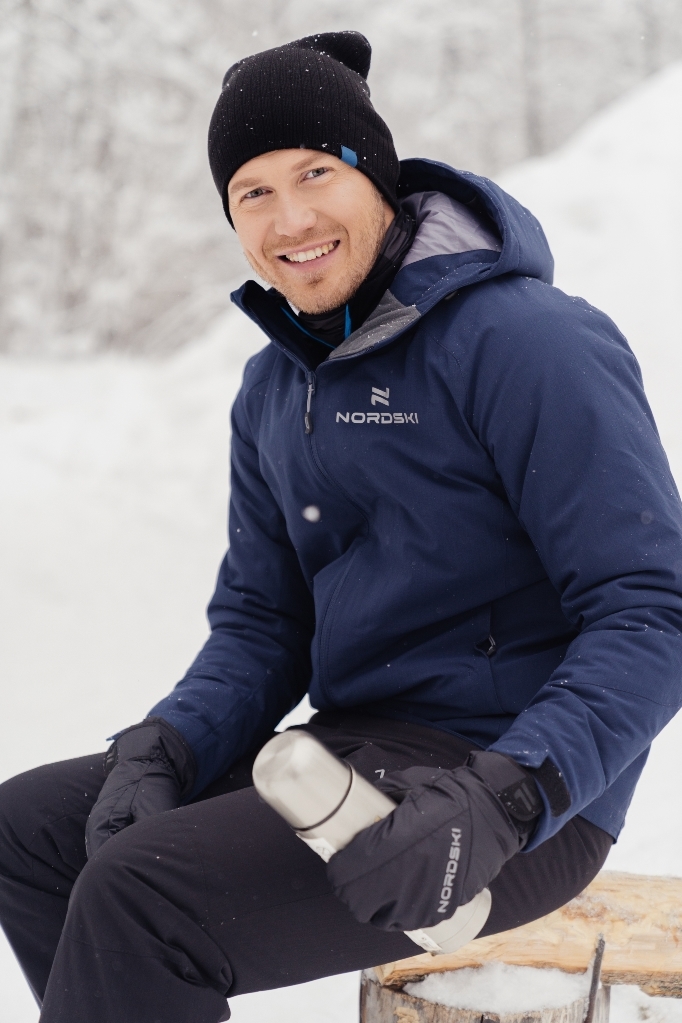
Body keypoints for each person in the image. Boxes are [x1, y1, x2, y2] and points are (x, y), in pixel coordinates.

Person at [1, 29, 681, 1023]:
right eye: (253, 192)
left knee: (142, 898)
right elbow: (262, 623)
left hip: (520, 794)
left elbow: (651, 608)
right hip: (349, 756)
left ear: (379, 178)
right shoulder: (277, 387)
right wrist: (167, 747)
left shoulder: (528, 343)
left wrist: (508, 794)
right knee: (29, 832)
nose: (290, 218)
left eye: (316, 172)